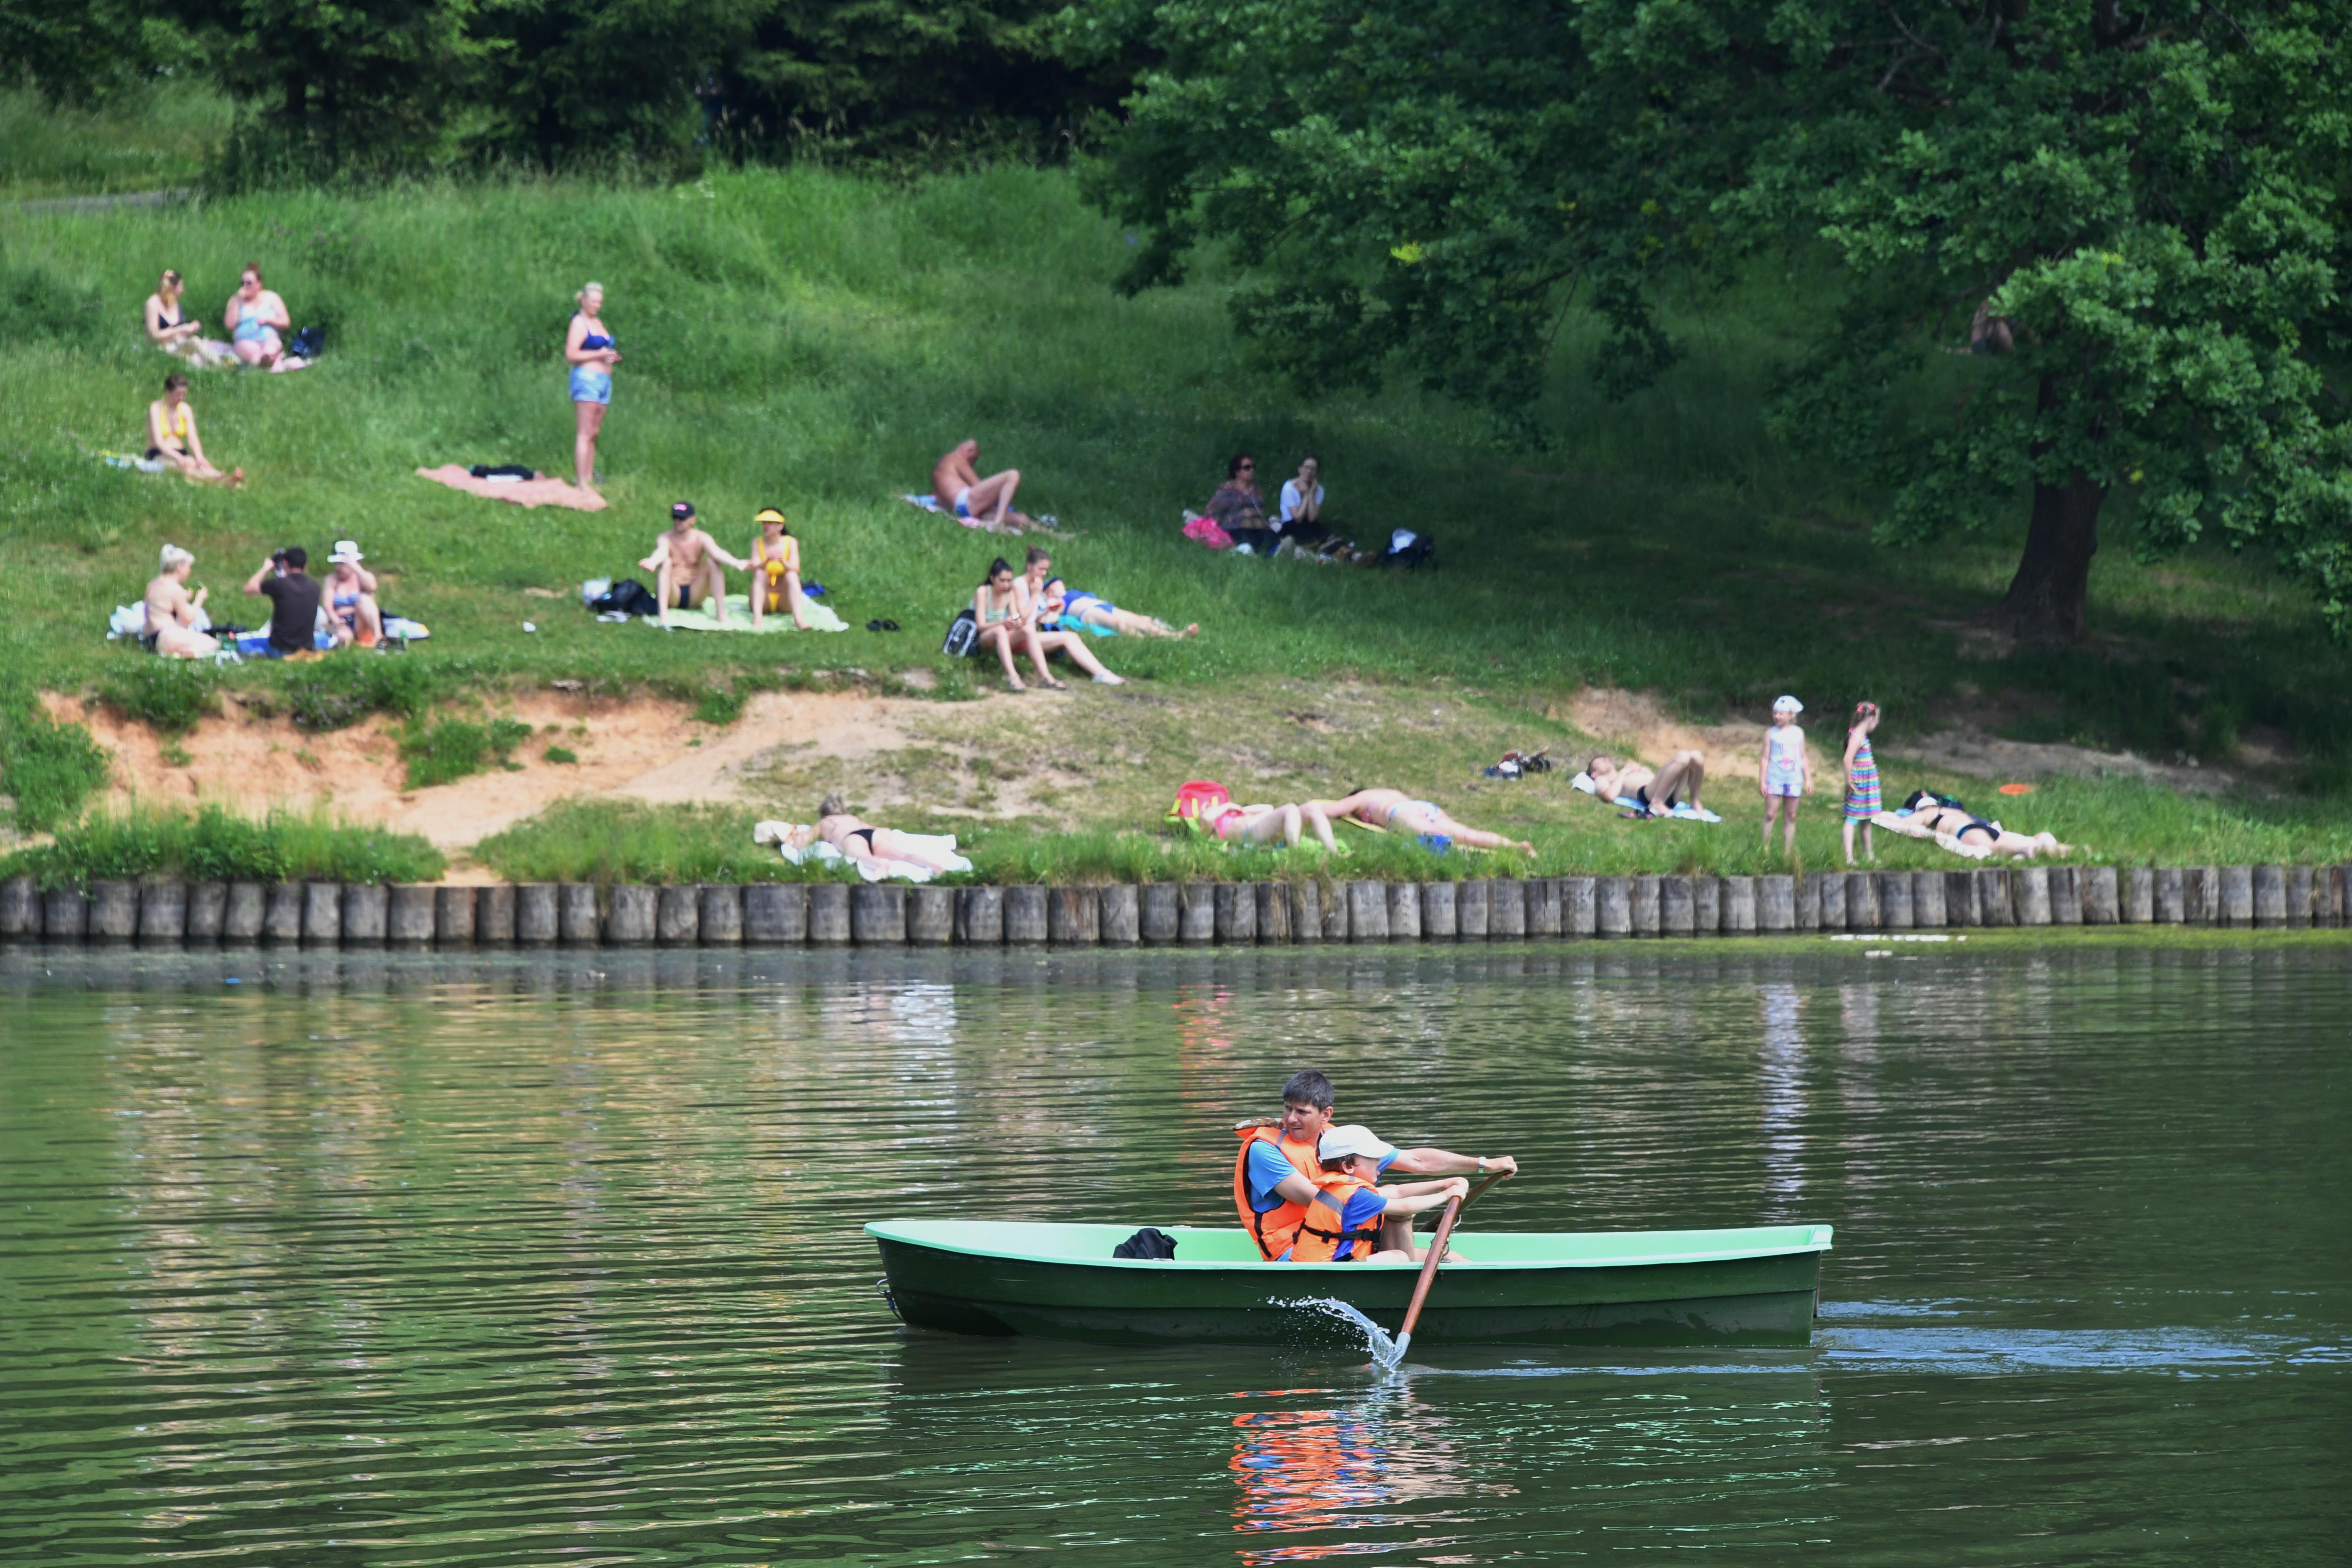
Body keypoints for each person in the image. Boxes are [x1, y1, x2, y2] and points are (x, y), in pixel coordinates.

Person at [1232, 1070, 1515, 1262]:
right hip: (1295, 1253)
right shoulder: (1264, 1150)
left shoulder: (1339, 1143)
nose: (1291, 1119)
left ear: (1325, 1114)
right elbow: (1322, 1200)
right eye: (1287, 1109)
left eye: (1302, 1112)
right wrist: (1443, 1193)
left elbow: (1417, 1160)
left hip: (1344, 1240)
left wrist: (1483, 1165)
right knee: (1400, 1236)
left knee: (1450, 1257)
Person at [1316, 1125, 1474, 1263]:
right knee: (1398, 1256)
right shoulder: (1357, 1196)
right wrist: (1446, 1195)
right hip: (1335, 1266)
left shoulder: (1341, 1188)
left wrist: (1443, 1184)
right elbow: (1404, 1207)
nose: (1379, 1160)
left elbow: (1397, 1192)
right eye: (1373, 1158)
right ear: (1348, 1166)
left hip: (1328, 1260)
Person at [1306, 787, 1536, 856]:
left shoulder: (1360, 799)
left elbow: (1332, 809)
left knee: (1438, 839)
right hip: (1424, 807)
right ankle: (1516, 847)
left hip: (1400, 814)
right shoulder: (1388, 791)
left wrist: (1307, 808)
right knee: (1467, 833)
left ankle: (1469, 858)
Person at [1017, 548, 1124, 685]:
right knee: (1068, 638)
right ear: (1029, 567)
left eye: (1046, 570)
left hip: (1030, 635)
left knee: (1071, 637)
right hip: (1020, 638)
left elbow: (1034, 618)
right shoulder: (1019, 585)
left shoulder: (1035, 585)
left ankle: (1101, 673)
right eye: (1041, 569)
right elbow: (1023, 619)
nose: (1044, 574)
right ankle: (1100, 674)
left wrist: (1048, 610)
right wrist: (1035, 595)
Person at [640, 502, 749, 628]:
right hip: (673, 594)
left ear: (692, 520)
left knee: (713, 563)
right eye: (675, 518)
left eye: (682, 519)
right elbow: (661, 552)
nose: (677, 521)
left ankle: (721, 615)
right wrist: (653, 561)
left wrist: (736, 563)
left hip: (695, 593)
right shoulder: (665, 538)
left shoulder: (701, 538)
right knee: (666, 562)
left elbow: (716, 552)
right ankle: (663, 617)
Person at [814, 793, 971, 875]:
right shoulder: (853, 819)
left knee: (863, 857)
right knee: (903, 856)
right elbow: (883, 831)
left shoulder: (825, 823)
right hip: (871, 834)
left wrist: (793, 837)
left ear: (824, 813)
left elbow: (802, 840)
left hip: (852, 838)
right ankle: (930, 864)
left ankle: (881, 865)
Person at [1890, 790, 2072, 860]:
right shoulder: (1957, 812)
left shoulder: (1928, 813)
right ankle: (2071, 849)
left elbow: (1901, 824)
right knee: (2019, 841)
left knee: (2004, 848)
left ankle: (2035, 850)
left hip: (1967, 831)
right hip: (1985, 827)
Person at [565, 282, 620, 491]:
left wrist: (611, 357)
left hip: (604, 380)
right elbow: (571, 355)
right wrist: (599, 354)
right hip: (587, 378)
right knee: (585, 431)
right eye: (594, 301)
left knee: (595, 432)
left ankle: (589, 475)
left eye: (600, 302)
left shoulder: (598, 322)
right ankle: (581, 481)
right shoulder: (579, 323)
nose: (598, 305)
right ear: (584, 300)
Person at [145, 373, 241, 486]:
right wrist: (178, 457)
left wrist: (200, 457)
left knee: (195, 463)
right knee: (186, 465)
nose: (181, 398)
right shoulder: (156, 408)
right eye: (178, 395)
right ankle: (221, 480)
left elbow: (192, 438)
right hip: (158, 453)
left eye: (184, 394)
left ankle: (221, 478)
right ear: (168, 391)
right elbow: (159, 442)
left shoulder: (185, 409)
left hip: (181, 452)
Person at [1039, 576, 1198, 639]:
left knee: (1142, 623)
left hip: (1103, 606)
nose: (1057, 584)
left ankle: (1176, 636)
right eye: (1053, 585)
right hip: (1086, 612)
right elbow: (1048, 616)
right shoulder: (1053, 603)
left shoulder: (1074, 592)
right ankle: (1145, 641)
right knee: (1119, 624)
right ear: (1049, 592)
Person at [242, 546, 324, 658]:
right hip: (307, 648)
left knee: (244, 644)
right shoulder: (315, 587)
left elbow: (249, 589)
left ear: (285, 563)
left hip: (280, 650)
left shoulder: (279, 584)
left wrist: (266, 568)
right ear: (306, 566)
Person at [932, 440, 1031, 531]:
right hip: (965, 502)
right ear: (969, 451)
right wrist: (1000, 493)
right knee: (1013, 475)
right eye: (972, 462)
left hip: (959, 510)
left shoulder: (941, 468)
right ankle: (998, 523)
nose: (970, 466)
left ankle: (1043, 532)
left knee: (1017, 518)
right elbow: (977, 484)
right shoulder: (956, 457)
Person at [223, 263, 306, 371]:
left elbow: (286, 322)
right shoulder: (235, 301)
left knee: (271, 348)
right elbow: (230, 325)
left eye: (249, 283)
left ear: (258, 284)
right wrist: (237, 301)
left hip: (268, 338)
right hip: (246, 340)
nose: (245, 287)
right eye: (242, 283)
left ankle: (265, 361)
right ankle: (266, 365)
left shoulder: (272, 298)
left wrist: (269, 321)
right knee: (255, 351)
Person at [144, 270, 234, 367]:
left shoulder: (174, 303)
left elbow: (178, 332)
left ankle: (221, 365)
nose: (182, 290)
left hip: (178, 344)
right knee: (194, 355)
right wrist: (180, 329)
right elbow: (153, 336)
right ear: (173, 288)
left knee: (196, 346)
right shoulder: (153, 304)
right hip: (162, 348)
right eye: (181, 286)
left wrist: (190, 328)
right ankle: (221, 366)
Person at [142, 544, 218, 659]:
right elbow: (187, 620)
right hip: (166, 636)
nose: (189, 571)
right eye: (188, 567)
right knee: (214, 644)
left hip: (149, 639)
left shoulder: (152, 585)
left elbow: (162, 606)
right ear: (179, 567)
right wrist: (199, 599)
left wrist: (184, 598)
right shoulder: (176, 589)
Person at [1759, 695, 1810, 858]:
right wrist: (1762, 781)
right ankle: (1765, 849)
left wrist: (1808, 778)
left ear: (1791, 715)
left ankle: (1787, 853)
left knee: (1791, 815)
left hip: (1793, 779)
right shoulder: (1770, 734)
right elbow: (1765, 759)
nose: (1777, 717)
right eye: (1775, 713)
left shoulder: (1798, 734)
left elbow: (1803, 757)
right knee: (1770, 813)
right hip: (1775, 778)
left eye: (1781, 714)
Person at [1587, 751, 1708, 817]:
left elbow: (1655, 777)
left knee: (1696, 757)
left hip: (1669, 793)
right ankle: (1657, 802)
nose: (1605, 760)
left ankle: (1694, 801)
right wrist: (1624, 772)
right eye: (1600, 762)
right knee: (1682, 757)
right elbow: (1609, 796)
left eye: (1605, 758)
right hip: (1648, 795)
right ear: (1595, 774)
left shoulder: (1627, 769)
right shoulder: (1603, 779)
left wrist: (1642, 769)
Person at [749, 507, 810, 630]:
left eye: (770, 523)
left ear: (780, 526)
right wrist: (767, 561)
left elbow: (796, 568)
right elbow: (754, 566)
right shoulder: (757, 542)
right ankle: (757, 619)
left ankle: (799, 620)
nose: (766, 526)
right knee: (761, 573)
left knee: (791, 575)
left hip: (783, 599)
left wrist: (783, 561)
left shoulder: (791, 542)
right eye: (764, 523)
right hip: (764, 598)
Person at [1202, 799, 1340, 852]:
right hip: (1249, 835)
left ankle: (1334, 853)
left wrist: (1242, 809)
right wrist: (1226, 806)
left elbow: (1269, 808)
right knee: (1290, 808)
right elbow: (1207, 818)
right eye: (1209, 806)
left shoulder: (1235, 814)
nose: (1212, 806)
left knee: (1312, 807)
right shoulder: (1210, 822)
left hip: (1266, 831)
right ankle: (1295, 855)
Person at [1206, 454, 1275, 553]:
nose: (1252, 470)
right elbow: (1212, 511)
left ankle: (1275, 553)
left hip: (1258, 525)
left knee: (1270, 537)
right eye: (1247, 468)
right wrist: (1239, 514)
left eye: (1253, 467)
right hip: (1236, 526)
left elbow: (1261, 508)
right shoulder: (1227, 489)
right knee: (1248, 537)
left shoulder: (1256, 489)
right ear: (1237, 472)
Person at [321, 540, 382, 649]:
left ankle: (379, 637)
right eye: (337, 564)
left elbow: (373, 587)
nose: (338, 568)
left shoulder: (362, 578)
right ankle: (345, 642)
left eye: (342, 564)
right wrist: (337, 622)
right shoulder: (332, 579)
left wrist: (356, 568)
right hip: (340, 621)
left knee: (364, 599)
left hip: (360, 621)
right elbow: (328, 606)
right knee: (343, 637)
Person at [1843, 702, 1882, 865]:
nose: (1877, 724)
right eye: (1877, 720)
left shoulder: (1862, 736)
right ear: (1871, 719)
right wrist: (1848, 782)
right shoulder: (1857, 737)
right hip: (1859, 784)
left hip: (1868, 785)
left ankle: (1869, 854)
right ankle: (1849, 858)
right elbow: (1847, 759)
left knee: (1867, 820)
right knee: (1851, 819)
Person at [1275, 455, 1329, 551]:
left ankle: (1351, 555)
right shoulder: (1289, 488)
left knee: (1326, 536)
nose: (1309, 472)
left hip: (1308, 523)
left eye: (1313, 469)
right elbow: (1298, 518)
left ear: (1317, 473)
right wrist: (1306, 496)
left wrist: (1311, 493)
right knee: (1310, 539)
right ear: (1300, 469)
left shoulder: (1319, 490)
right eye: (1306, 468)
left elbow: (1312, 518)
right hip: (1291, 524)